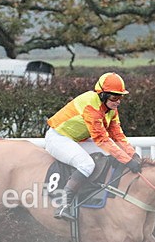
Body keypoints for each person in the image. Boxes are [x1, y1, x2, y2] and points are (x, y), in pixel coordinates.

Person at [45, 72, 142, 219]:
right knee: (86, 165)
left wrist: (132, 154)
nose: (118, 101)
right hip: (58, 138)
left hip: (78, 140)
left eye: (120, 97)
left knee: (110, 155)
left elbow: (117, 134)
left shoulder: (111, 109)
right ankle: (63, 205)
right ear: (102, 95)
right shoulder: (91, 106)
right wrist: (127, 160)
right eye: (114, 97)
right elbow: (101, 139)